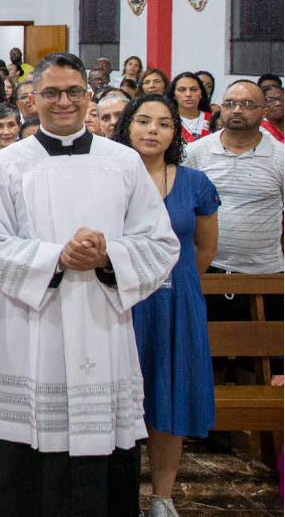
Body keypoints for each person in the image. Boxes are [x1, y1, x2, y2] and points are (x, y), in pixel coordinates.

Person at [0, 52, 179, 517]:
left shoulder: (123, 162)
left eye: (73, 92)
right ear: (33, 99)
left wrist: (109, 257)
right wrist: (54, 258)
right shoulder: (8, 165)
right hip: (34, 329)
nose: (62, 102)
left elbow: (161, 245)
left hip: (103, 324)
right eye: (51, 93)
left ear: (88, 96)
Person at [113, 94, 219, 517]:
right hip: (122, 302)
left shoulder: (195, 183)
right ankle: (118, 495)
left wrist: (171, 280)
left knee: (168, 398)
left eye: (163, 123)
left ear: (176, 132)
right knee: (120, 400)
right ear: (127, 128)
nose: (152, 129)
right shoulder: (109, 178)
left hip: (176, 305)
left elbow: (205, 248)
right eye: (143, 121)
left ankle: (161, 497)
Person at [182, 79, 281, 276]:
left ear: (264, 112)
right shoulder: (194, 152)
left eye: (247, 104)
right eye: (229, 104)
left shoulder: (281, 157)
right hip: (205, 269)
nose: (236, 110)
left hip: (265, 273)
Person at [164, 72, 211, 143]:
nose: (188, 94)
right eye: (182, 90)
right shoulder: (167, 121)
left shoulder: (213, 120)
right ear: (174, 95)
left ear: (201, 94)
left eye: (194, 90)